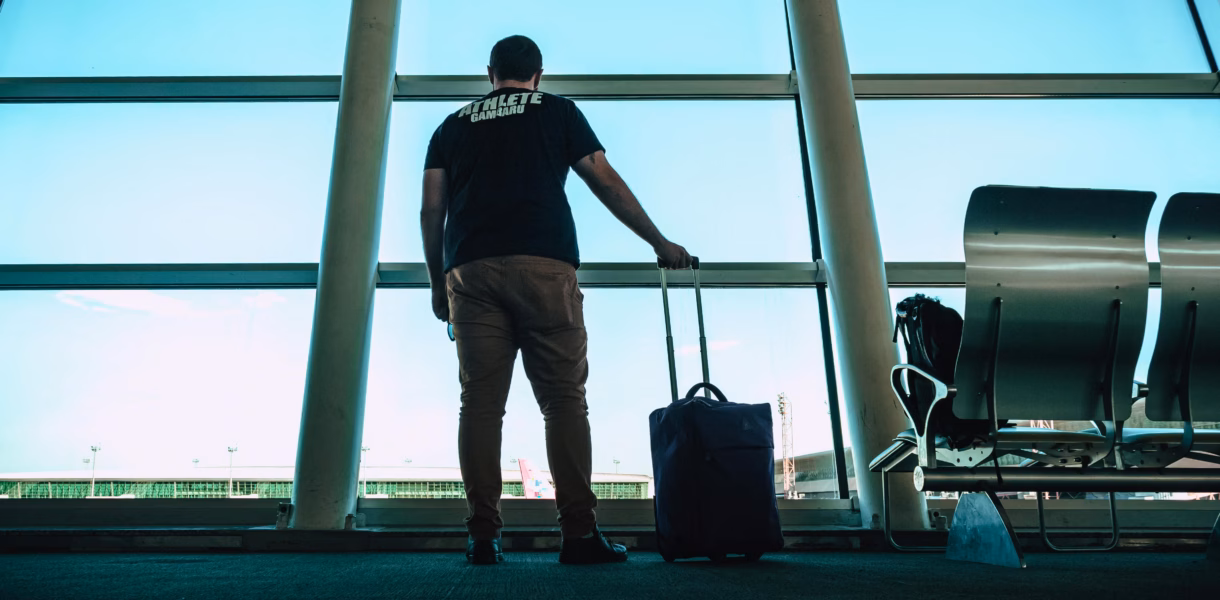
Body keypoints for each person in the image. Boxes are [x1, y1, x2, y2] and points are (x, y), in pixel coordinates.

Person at [420, 35, 692, 565]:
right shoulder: (558, 111)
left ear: (490, 73)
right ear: (538, 74)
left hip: (470, 272)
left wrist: (437, 282)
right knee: (564, 402)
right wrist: (659, 242)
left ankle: (481, 536)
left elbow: (432, 210)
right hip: (545, 265)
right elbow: (604, 181)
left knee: (479, 405)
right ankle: (579, 535)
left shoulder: (451, 126)